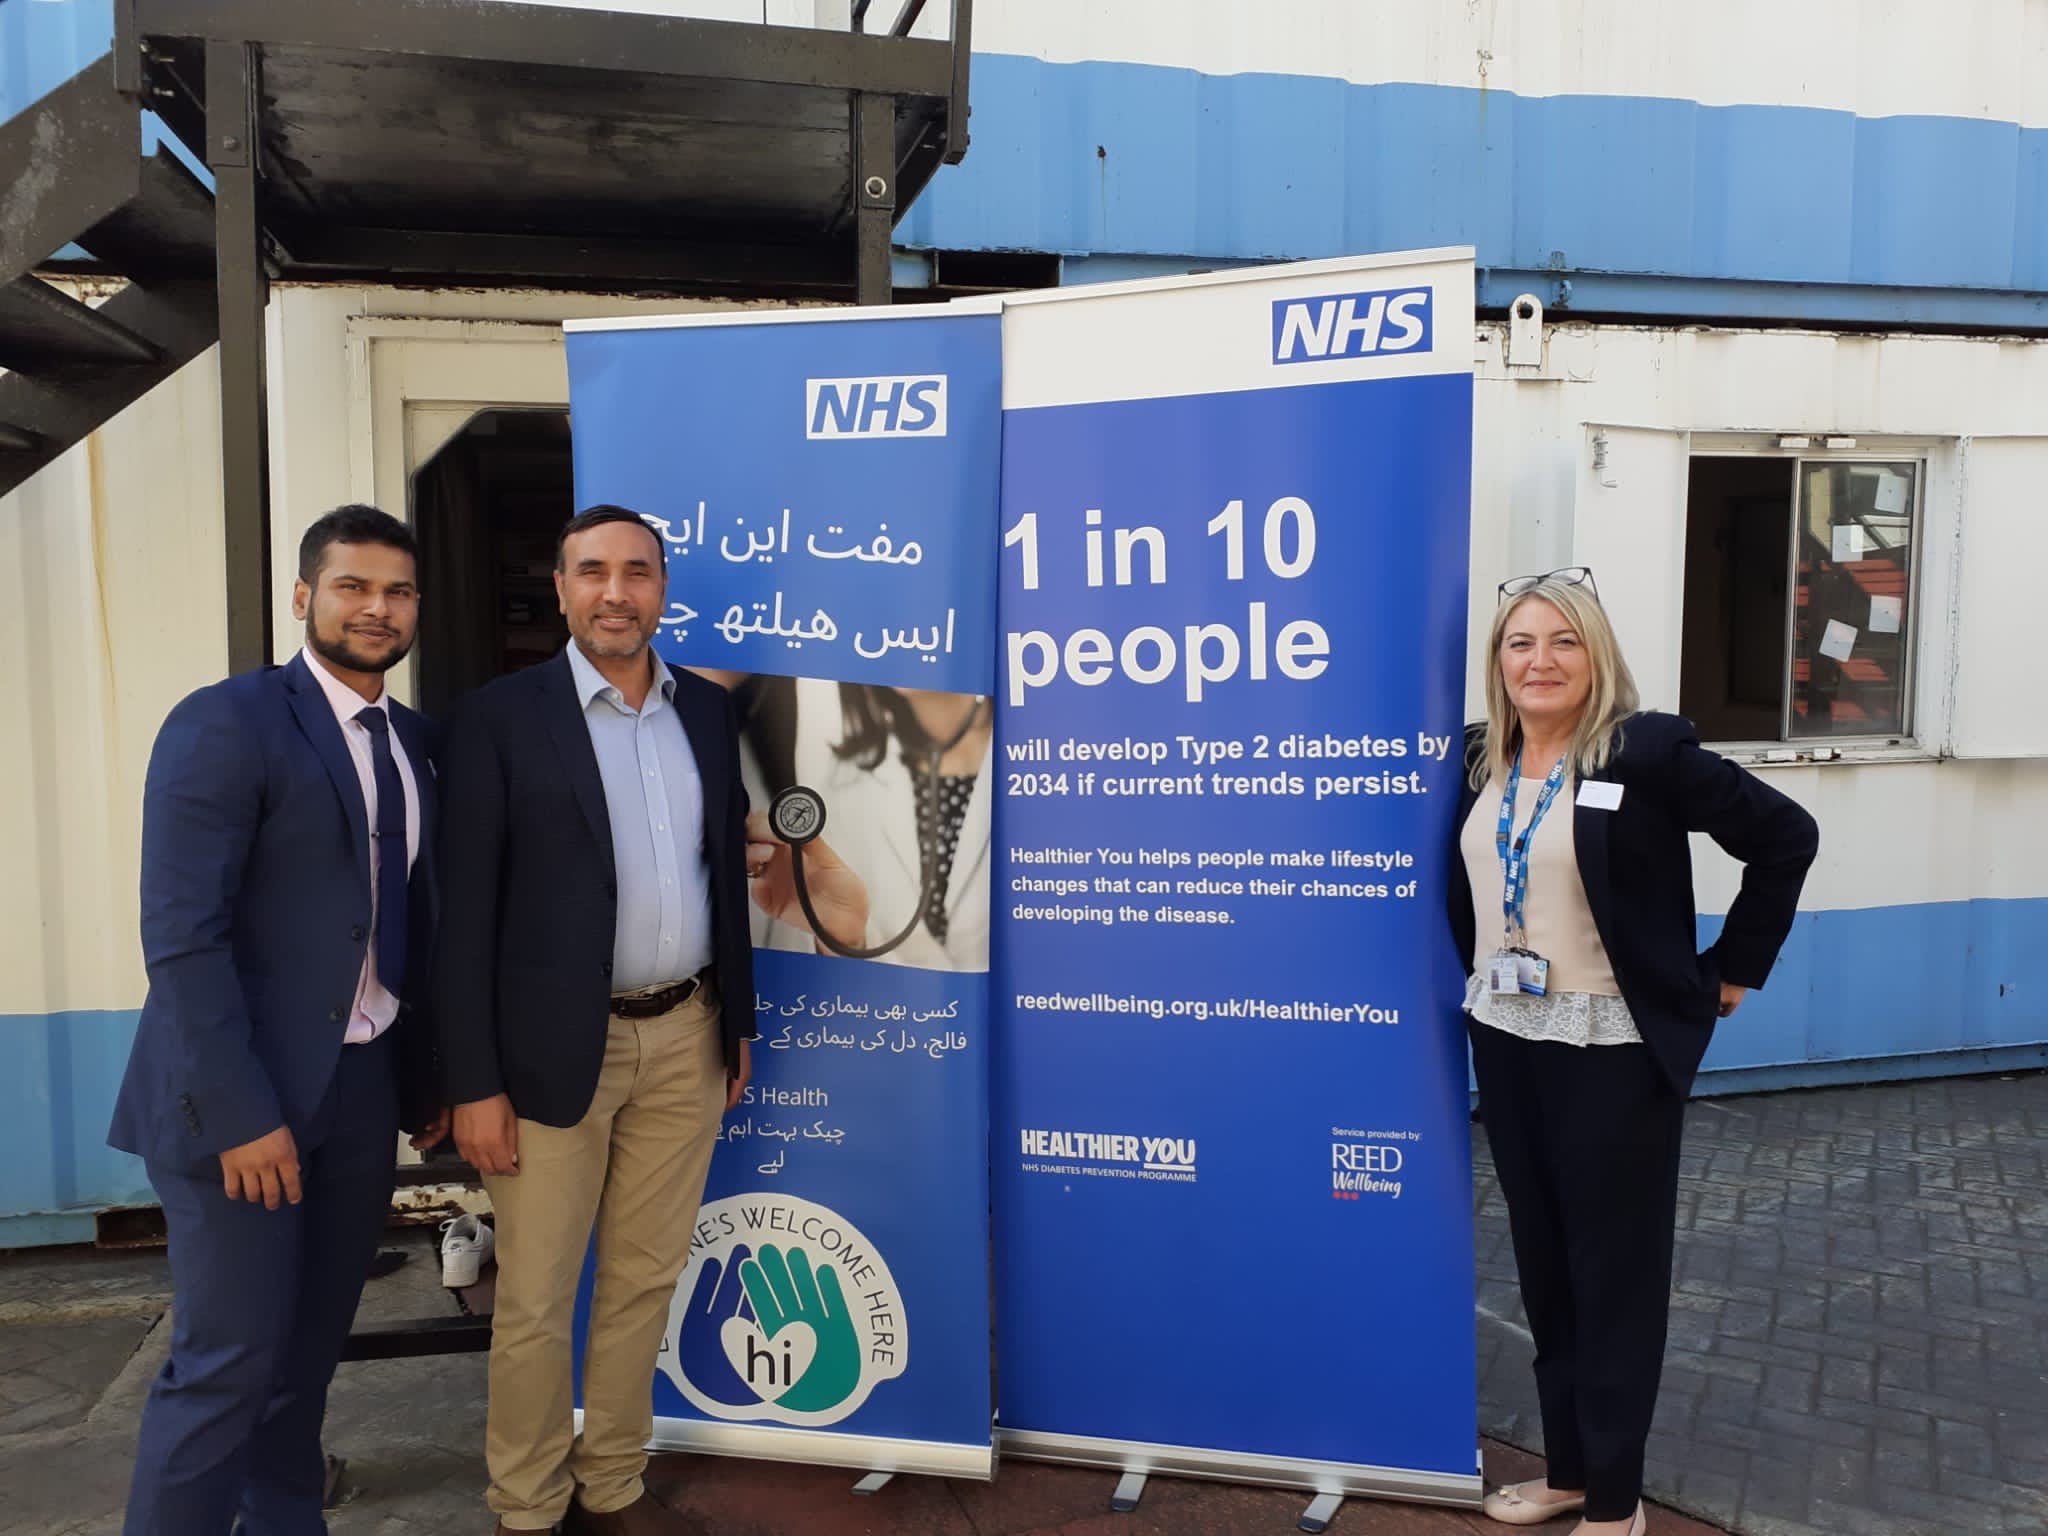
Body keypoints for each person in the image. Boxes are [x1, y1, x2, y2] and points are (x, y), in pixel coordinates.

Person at [1445, 568, 1817, 1535]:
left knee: (1613, 1274)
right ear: (1498, 661)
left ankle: (1615, 1502)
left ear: (1596, 655)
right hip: (1509, 1036)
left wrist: (1733, 968)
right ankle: (1568, 1470)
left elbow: (1786, 836)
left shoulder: (1644, 751)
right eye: (1521, 643)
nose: (1541, 660)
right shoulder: (1480, 760)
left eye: (1564, 641)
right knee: (1545, 1267)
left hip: (1611, 1046)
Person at [109, 504, 448, 1535]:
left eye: (394, 591)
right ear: (305, 597)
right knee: (225, 1367)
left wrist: (421, 1078)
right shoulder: (228, 721)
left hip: (358, 1088)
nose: (374, 608)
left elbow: (412, 917)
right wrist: (240, 1114)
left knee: (303, 1361)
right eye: (351, 586)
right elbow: (181, 938)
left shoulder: (416, 742)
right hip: (237, 1099)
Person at [434, 504, 755, 1536]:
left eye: (636, 571)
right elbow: (460, 912)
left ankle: (610, 1485)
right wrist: (472, 1080)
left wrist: (734, 1027)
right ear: (563, 587)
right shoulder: (497, 717)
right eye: (592, 572)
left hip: (686, 1037)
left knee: (644, 1278)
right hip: (542, 1058)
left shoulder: (705, 713)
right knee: (533, 1298)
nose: (615, 591)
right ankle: (526, 1506)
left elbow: (723, 882)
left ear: (662, 589)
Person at [745, 678, 993, 971]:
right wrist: (844, 938)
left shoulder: (1044, 759)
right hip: (893, 1010)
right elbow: (855, 960)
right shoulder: (842, 773)